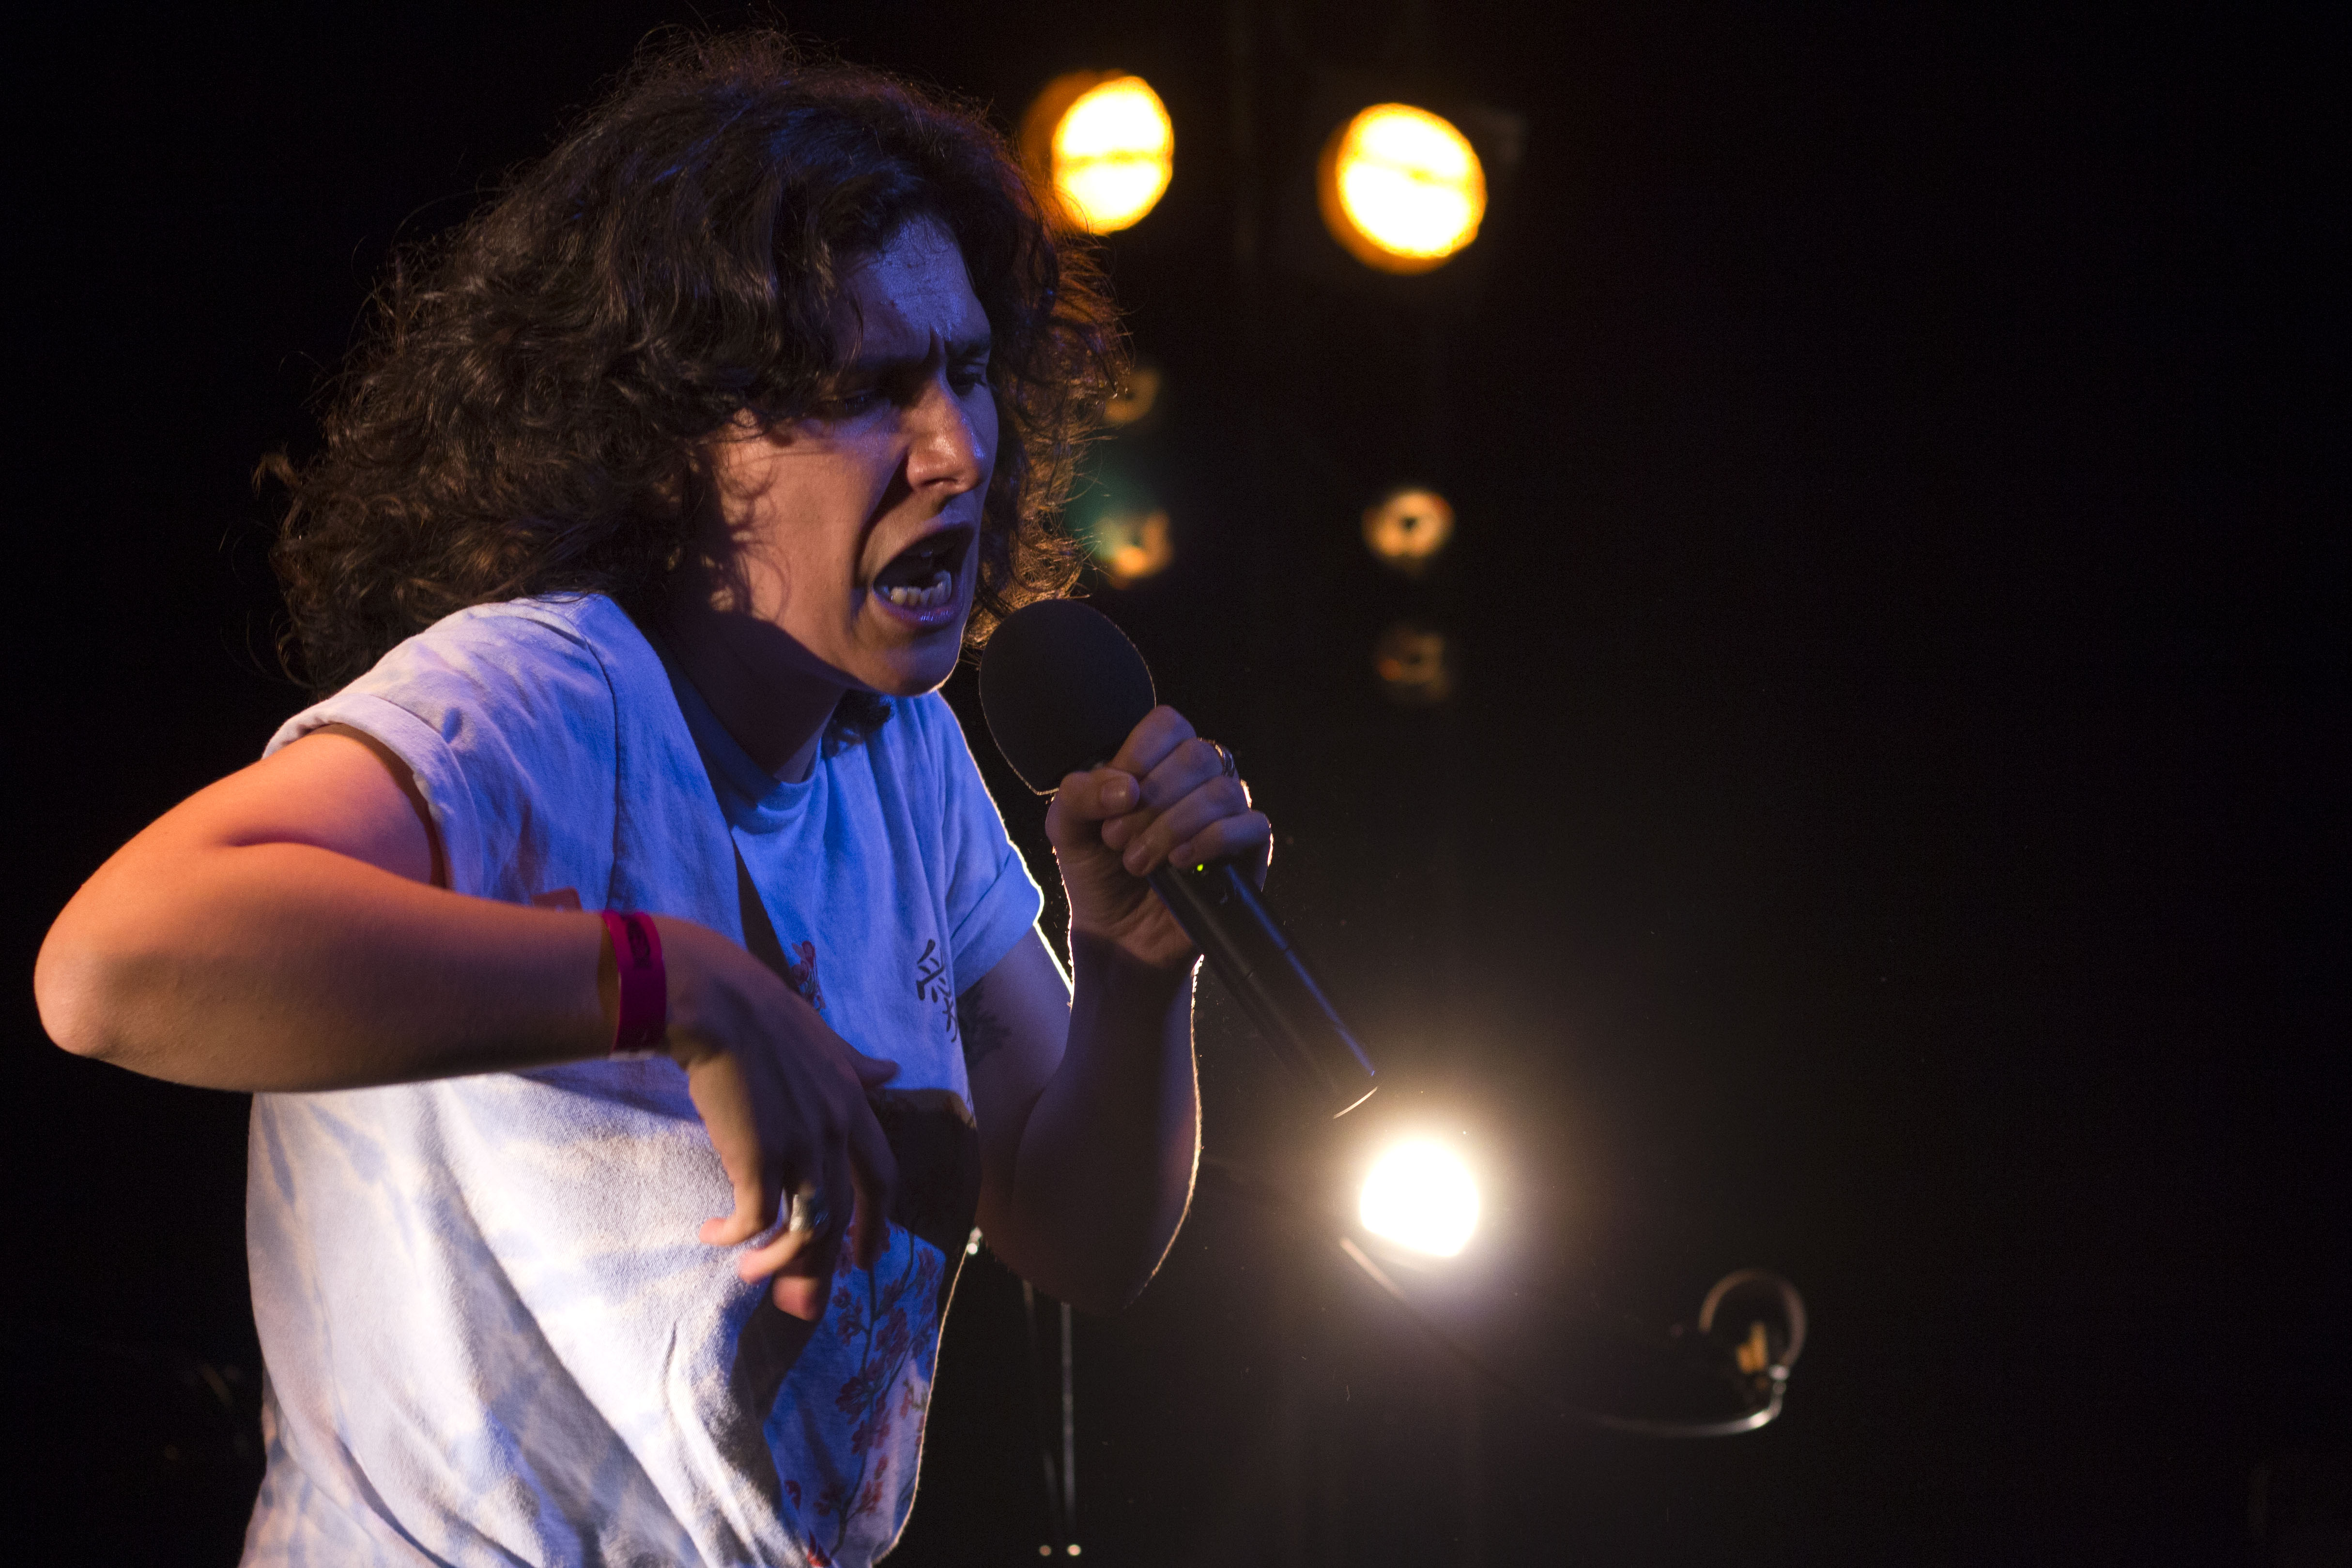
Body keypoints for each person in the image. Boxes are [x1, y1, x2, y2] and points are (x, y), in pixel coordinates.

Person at [33, 33, 1266, 1568]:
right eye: (869, 389)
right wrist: (674, 986)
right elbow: (111, 967)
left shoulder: (901, 752)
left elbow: (1078, 1237)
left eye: (965, 372)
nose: (956, 449)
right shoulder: (547, 694)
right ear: (677, 443)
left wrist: (1136, 973)